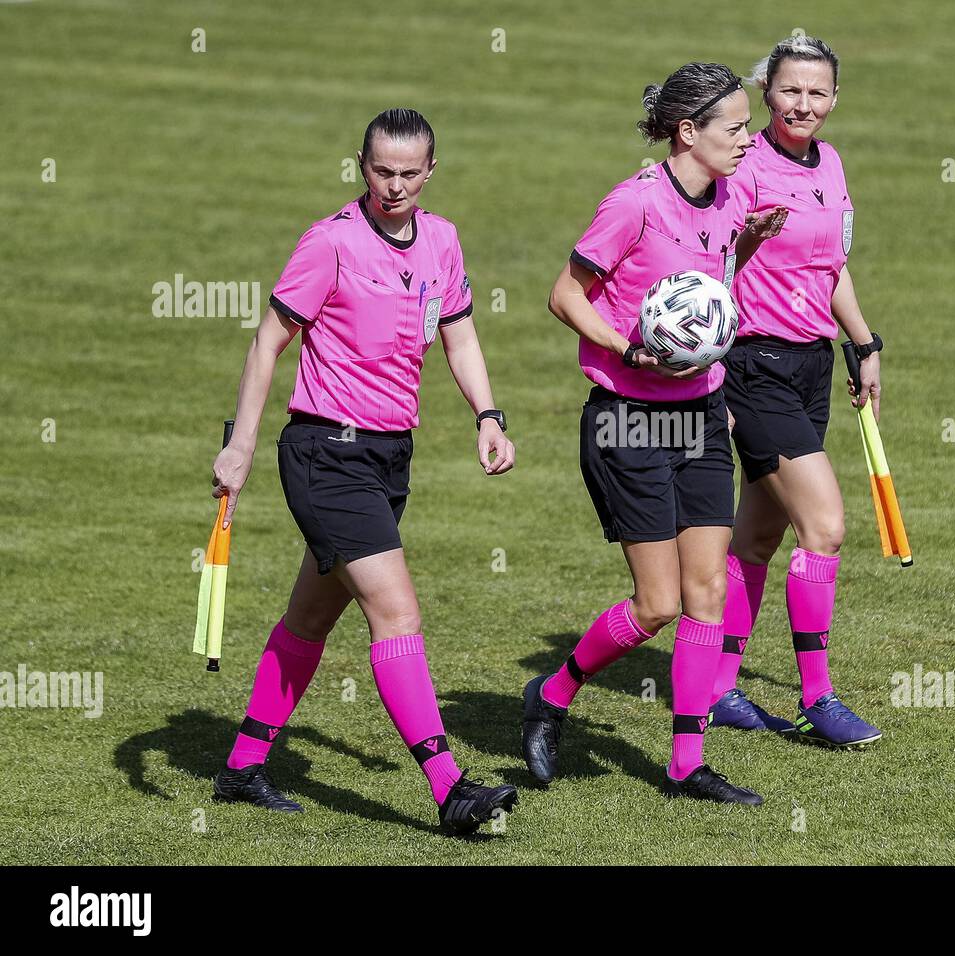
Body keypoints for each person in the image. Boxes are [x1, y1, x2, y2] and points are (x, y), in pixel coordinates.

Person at [209, 108, 519, 834]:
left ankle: (241, 767)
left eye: (410, 173)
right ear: (361, 164)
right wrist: (242, 446)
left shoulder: (441, 238)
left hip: (388, 456)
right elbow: (268, 343)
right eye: (382, 170)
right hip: (326, 453)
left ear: (431, 171)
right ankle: (451, 789)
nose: (395, 185)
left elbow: (460, 331)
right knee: (397, 613)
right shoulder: (331, 243)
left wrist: (488, 414)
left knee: (311, 616)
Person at [521, 63, 786, 804]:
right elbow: (563, 293)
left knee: (709, 592)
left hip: (701, 413)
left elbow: (707, 291)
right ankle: (554, 692)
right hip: (628, 419)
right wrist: (622, 346)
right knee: (658, 604)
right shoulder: (634, 203)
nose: (746, 140)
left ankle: (685, 764)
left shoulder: (730, 196)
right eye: (734, 128)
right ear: (687, 132)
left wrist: (751, 242)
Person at [711, 36, 885, 747]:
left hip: (812, 365)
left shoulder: (833, 163)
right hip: (754, 366)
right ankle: (818, 697)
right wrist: (745, 244)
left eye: (817, 93)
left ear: (834, 99)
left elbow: (830, 266)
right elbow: (710, 262)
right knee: (826, 526)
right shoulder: (745, 167)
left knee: (757, 533)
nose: (803, 104)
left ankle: (718, 687)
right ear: (766, 93)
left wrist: (863, 342)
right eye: (789, 91)